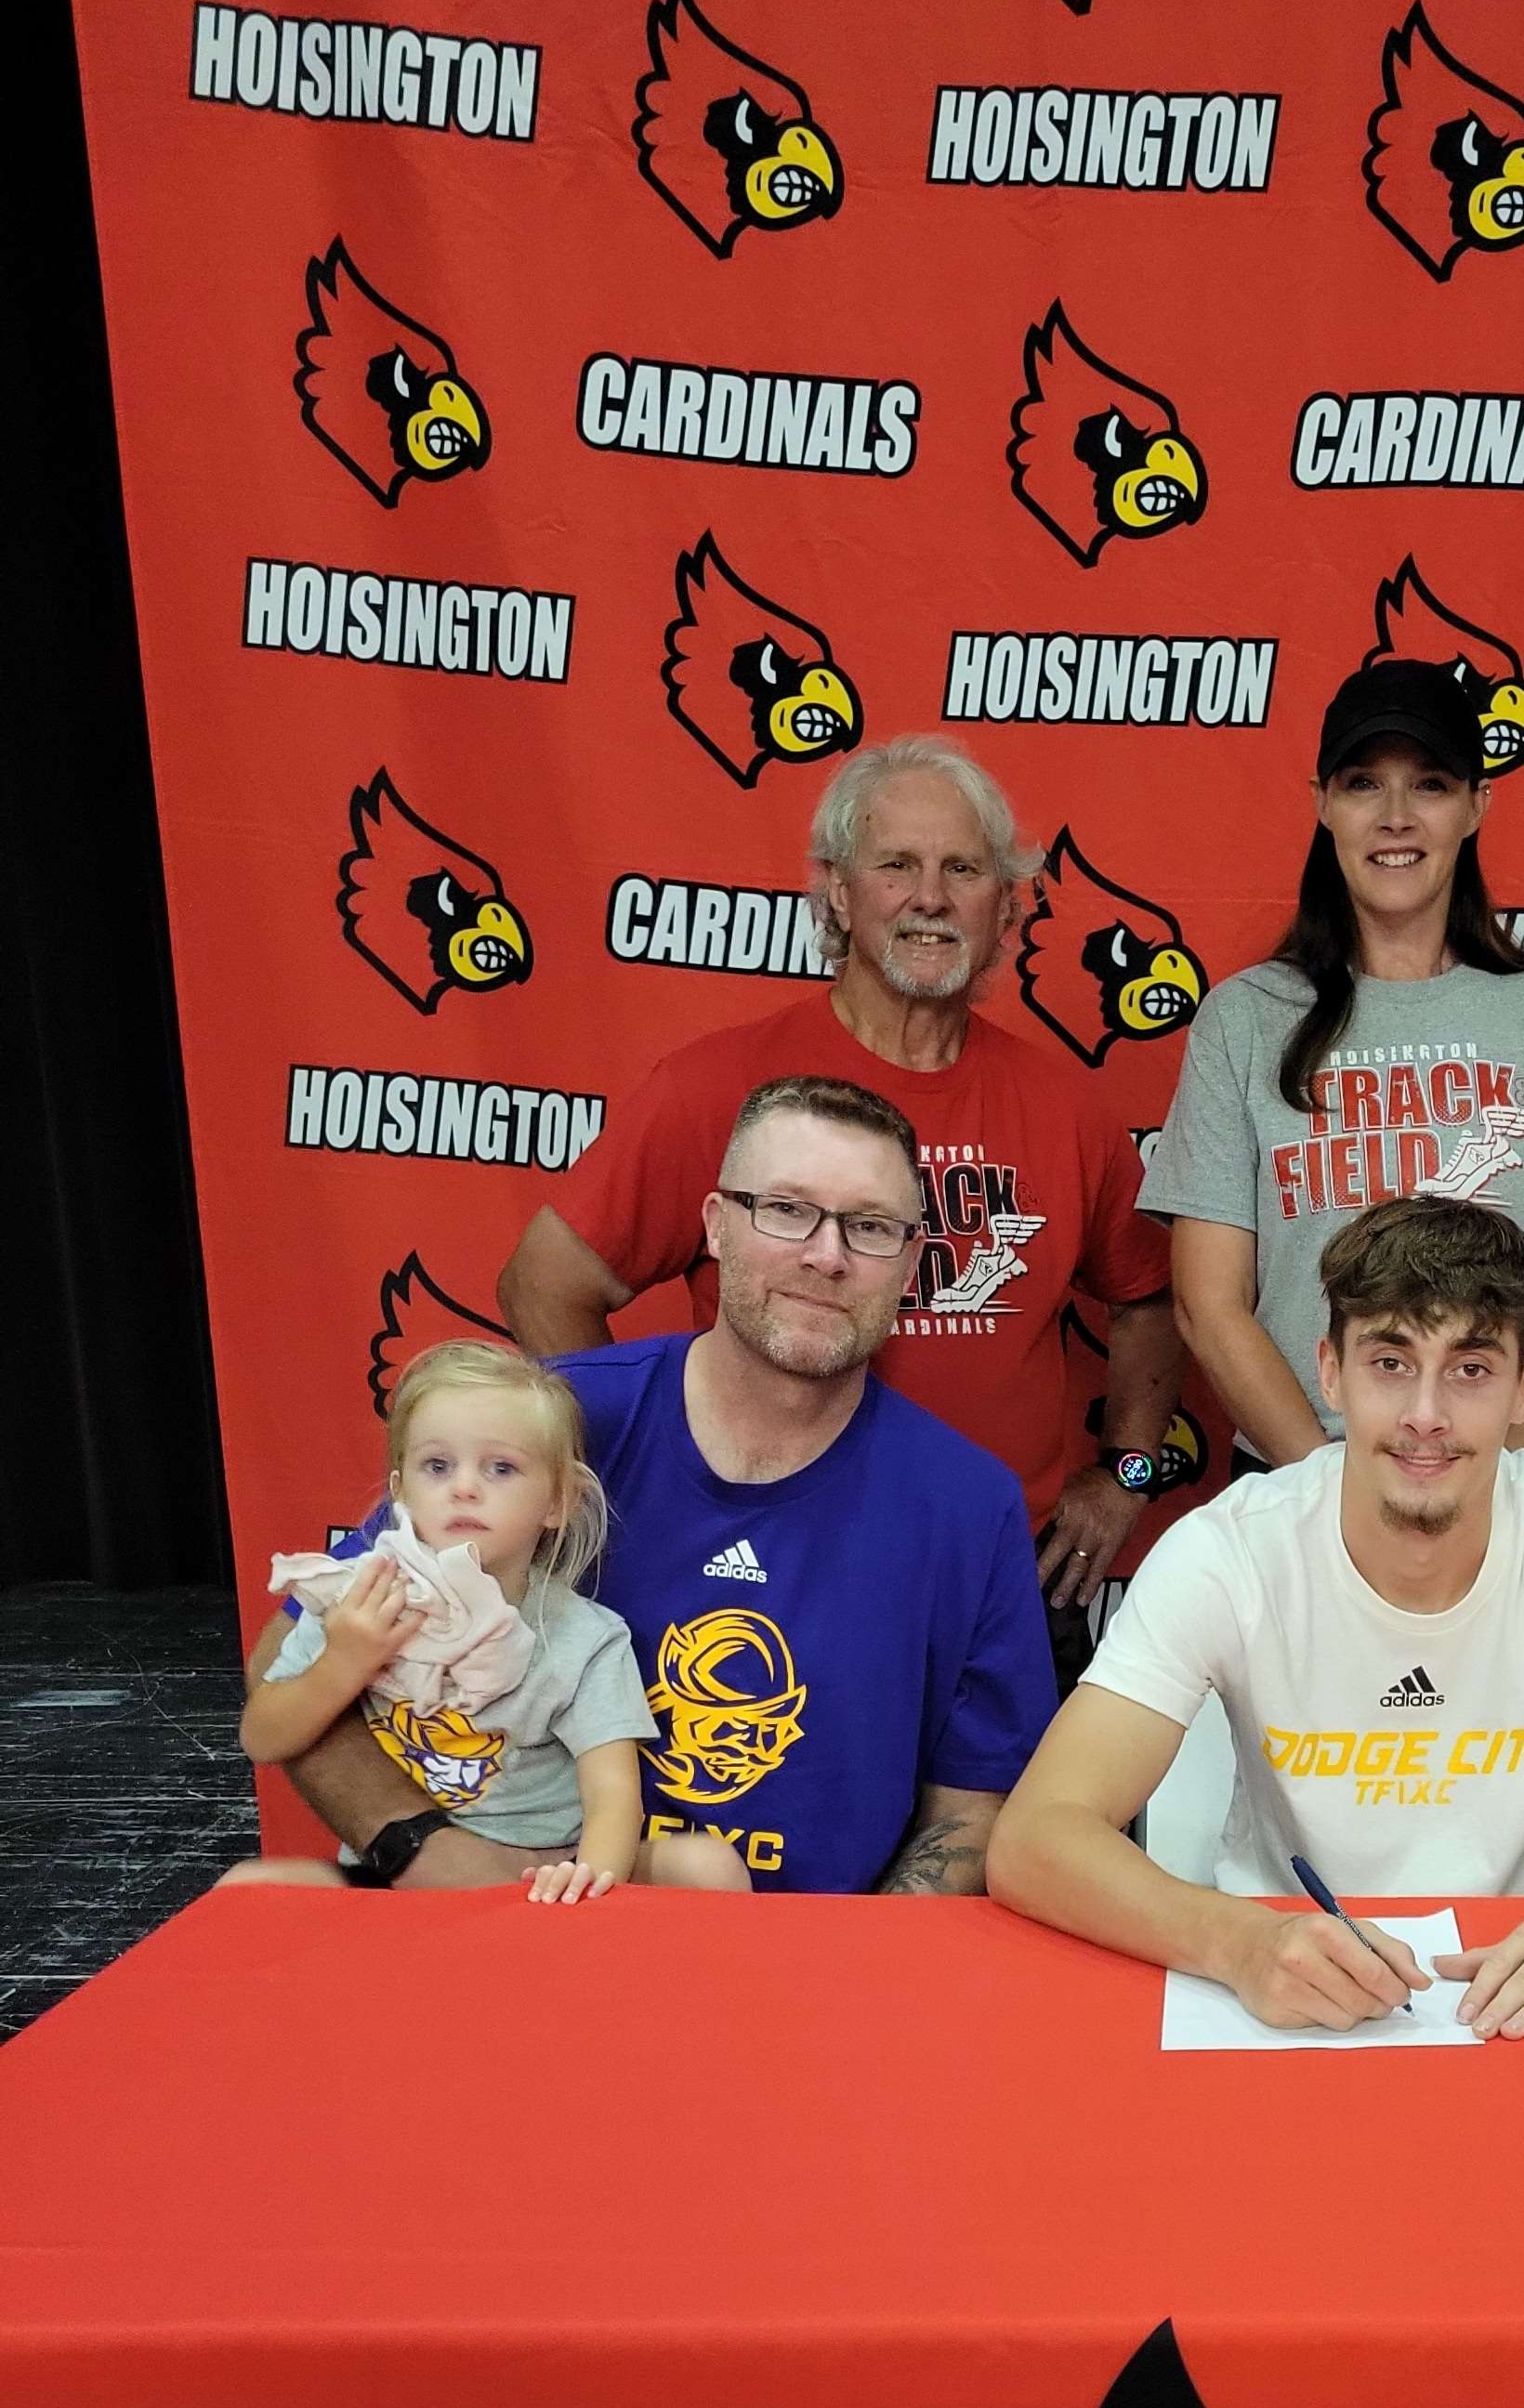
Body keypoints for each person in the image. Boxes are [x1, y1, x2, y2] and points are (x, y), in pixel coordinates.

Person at [987, 1203, 1524, 2035]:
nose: (1426, 1416)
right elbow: (1035, 1838)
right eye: (1391, 1362)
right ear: (1330, 1370)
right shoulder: (1232, 1550)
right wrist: (1239, 1941)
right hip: (1276, 2001)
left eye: (1472, 1369)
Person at [256, 1078, 1056, 1895]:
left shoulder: (968, 1506)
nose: (827, 1254)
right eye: (785, 1209)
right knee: (253, 1903)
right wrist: (418, 1847)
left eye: (872, 1226)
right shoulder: (552, 1427)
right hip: (512, 1925)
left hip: (795, 1972)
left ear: (912, 1263)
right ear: (715, 1225)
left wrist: (850, 1979)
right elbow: (286, 1665)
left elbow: (972, 1805)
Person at [494, 733, 1182, 1676]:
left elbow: (1149, 1293)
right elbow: (545, 1280)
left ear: (1004, 907)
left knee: (1020, 1830)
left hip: (1001, 1584)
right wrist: (634, 1486)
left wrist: (1129, 1474)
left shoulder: (1064, 1108)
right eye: (896, 865)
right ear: (838, 893)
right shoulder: (718, 1087)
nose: (930, 897)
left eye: (963, 869)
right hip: (768, 1576)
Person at [1139, 657, 1524, 1476]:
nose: (1395, 817)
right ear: (1322, 803)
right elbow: (1209, 1305)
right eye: (1361, 784)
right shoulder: (1243, 1019)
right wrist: (1325, 1492)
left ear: (1476, 805)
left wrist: (1499, 1481)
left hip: (1511, 1488)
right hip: (1301, 1483)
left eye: (1429, 785)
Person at [228, 1341, 747, 1899]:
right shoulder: (357, 1603)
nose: (464, 1487)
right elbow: (262, 1738)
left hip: (550, 1868)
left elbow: (613, 1792)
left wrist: (587, 1881)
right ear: (400, 1493)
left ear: (559, 1502)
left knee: (707, 1865)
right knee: (250, 1888)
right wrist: (344, 1662)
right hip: (398, 1876)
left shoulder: (584, 1638)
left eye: (501, 1468)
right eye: (437, 1466)